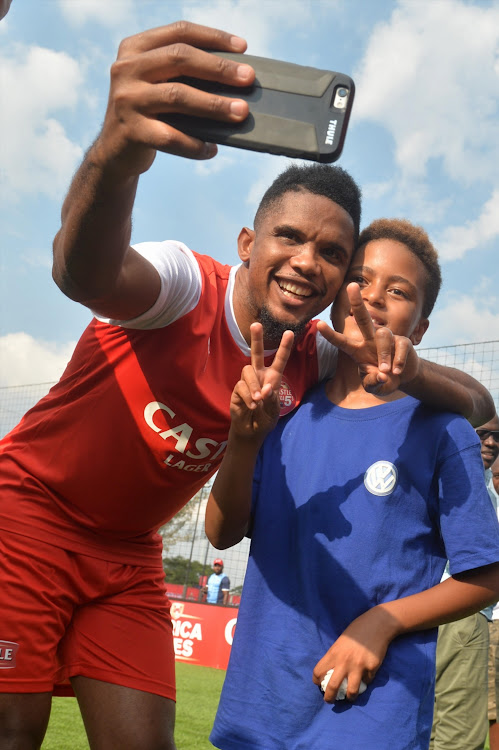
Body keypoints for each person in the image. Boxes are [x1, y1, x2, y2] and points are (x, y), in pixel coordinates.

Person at [0, 20, 494, 750]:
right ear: (246, 244)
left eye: (332, 252)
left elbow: (475, 407)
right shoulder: (181, 286)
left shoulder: (313, 360)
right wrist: (117, 153)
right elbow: (84, 272)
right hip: (31, 514)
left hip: (128, 553)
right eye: (289, 237)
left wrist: (412, 368)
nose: (306, 261)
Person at [206, 218, 499, 750]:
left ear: (422, 327)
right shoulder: (285, 415)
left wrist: (380, 623)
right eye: (362, 280)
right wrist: (244, 438)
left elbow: (488, 575)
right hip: (260, 705)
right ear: (337, 297)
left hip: (371, 716)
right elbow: (222, 534)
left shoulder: (441, 429)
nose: (376, 297)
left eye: (399, 290)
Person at [430, 413, 499, 750]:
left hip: (430, 612)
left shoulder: (485, 485)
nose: (491, 442)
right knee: (457, 735)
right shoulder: (468, 484)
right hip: (462, 610)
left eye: (497, 437)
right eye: (483, 433)